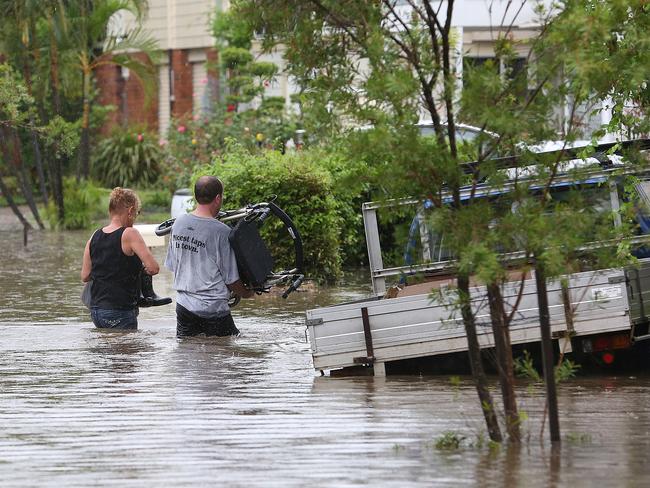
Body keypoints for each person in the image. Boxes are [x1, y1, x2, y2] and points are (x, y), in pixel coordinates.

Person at [164, 175, 254, 337]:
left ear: (196, 196)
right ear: (218, 198)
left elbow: (172, 265)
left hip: (184, 308)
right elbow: (231, 280)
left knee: (188, 355)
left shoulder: (178, 223)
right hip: (213, 310)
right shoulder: (221, 232)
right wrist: (247, 293)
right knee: (229, 352)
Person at [81, 187, 161, 330]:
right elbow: (153, 268)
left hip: (96, 311)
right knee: (129, 351)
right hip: (120, 310)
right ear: (130, 211)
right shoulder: (130, 234)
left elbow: (85, 276)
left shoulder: (94, 236)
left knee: (106, 351)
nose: (135, 218)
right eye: (136, 213)